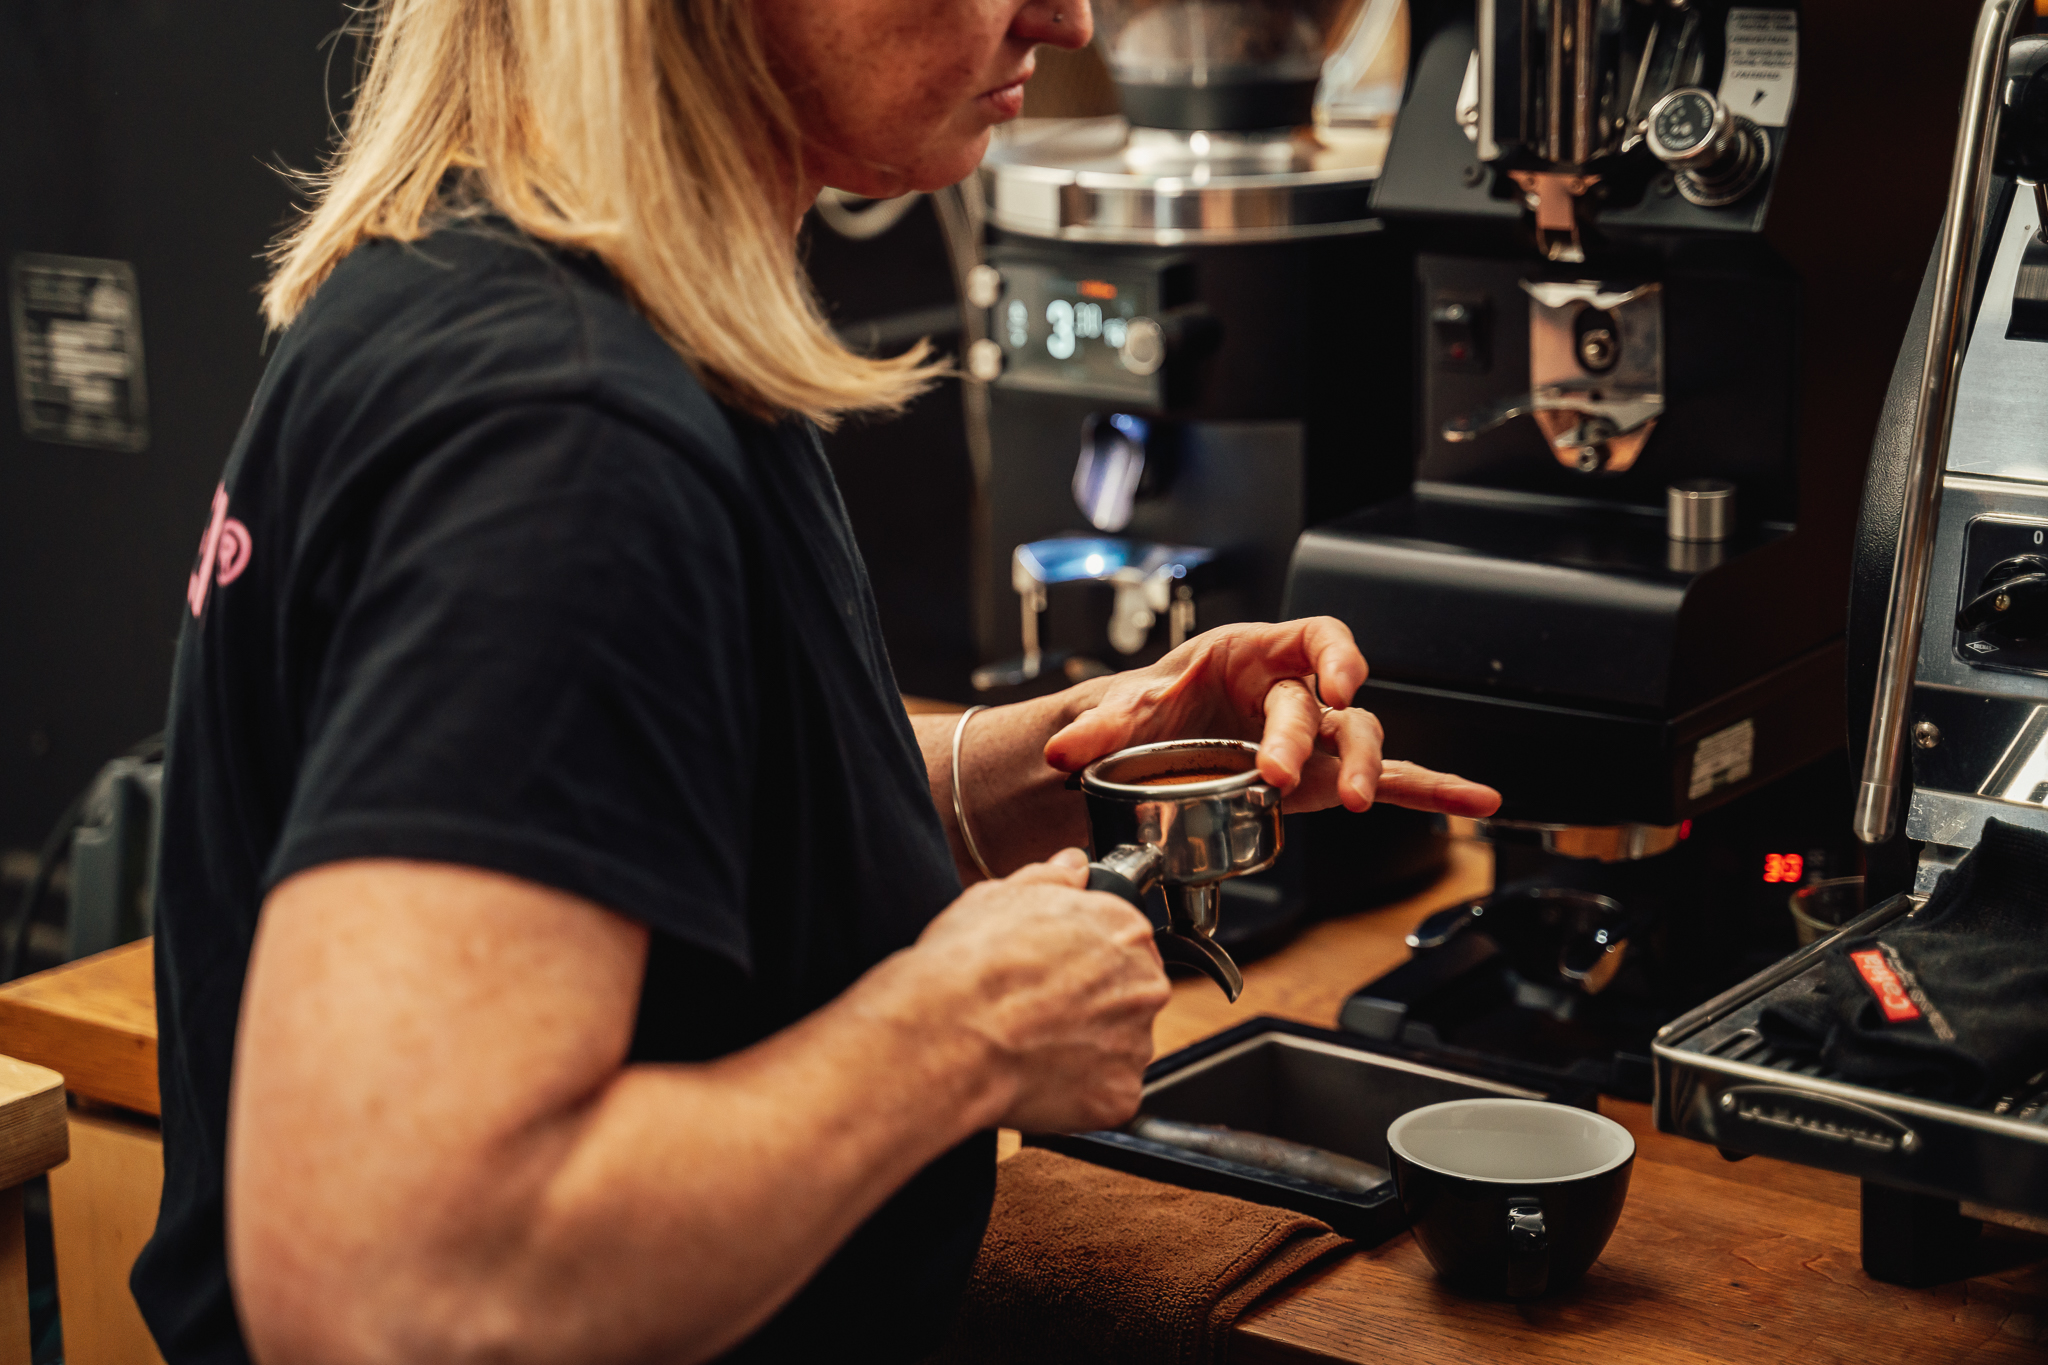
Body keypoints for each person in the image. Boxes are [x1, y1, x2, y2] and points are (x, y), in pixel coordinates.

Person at [134, 1, 1502, 1362]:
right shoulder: (559, 438)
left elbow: (636, 806)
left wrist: (1090, 746)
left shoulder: (529, 299)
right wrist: (960, 1037)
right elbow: (390, 1287)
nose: (1065, 14)